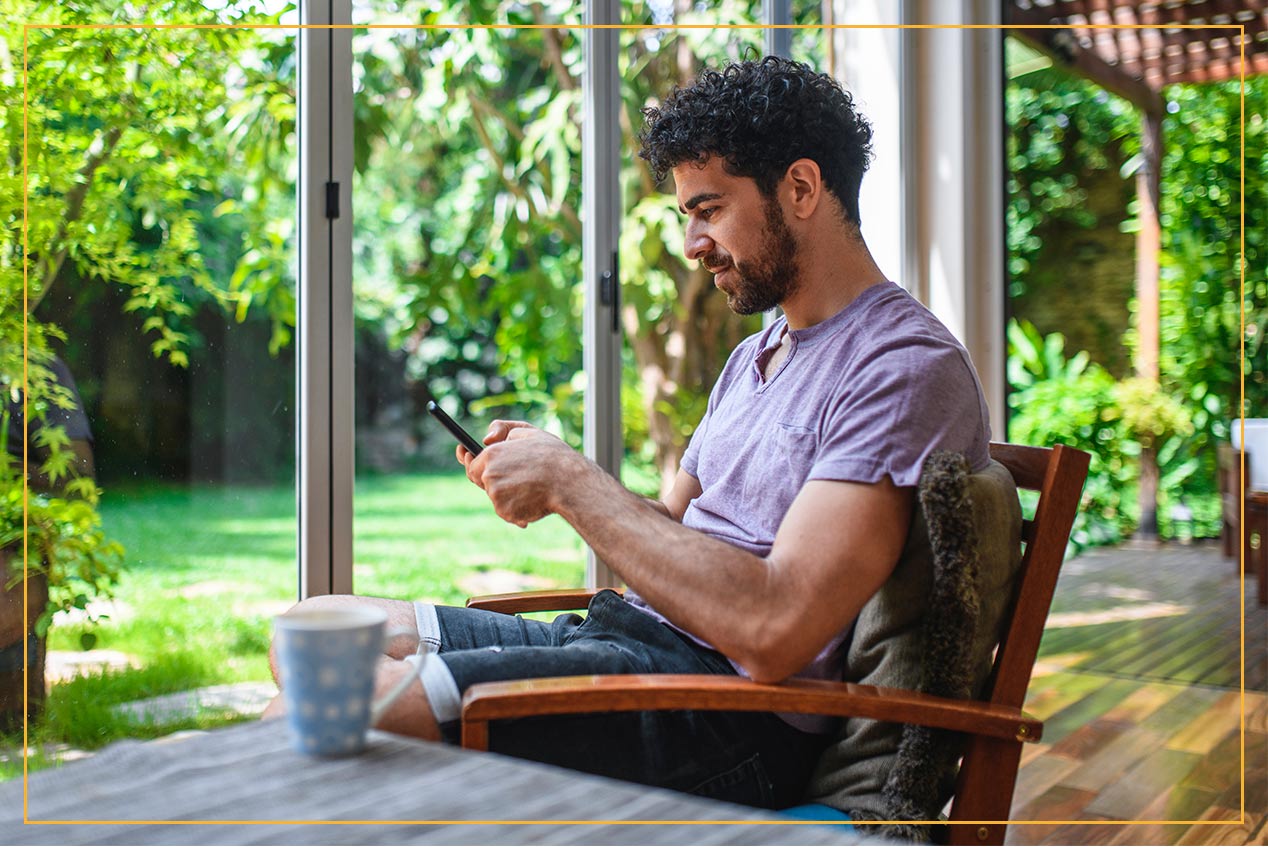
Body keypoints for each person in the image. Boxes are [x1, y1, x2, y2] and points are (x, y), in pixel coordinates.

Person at [266, 56, 991, 808]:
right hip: (624, 642)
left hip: (721, 714)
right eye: (688, 216)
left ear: (801, 188)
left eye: (708, 209)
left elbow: (775, 627)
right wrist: (556, 474)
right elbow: (671, 531)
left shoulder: (900, 366)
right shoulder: (755, 358)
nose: (693, 243)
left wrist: (572, 484)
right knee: (312, 628)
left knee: (316, 709)